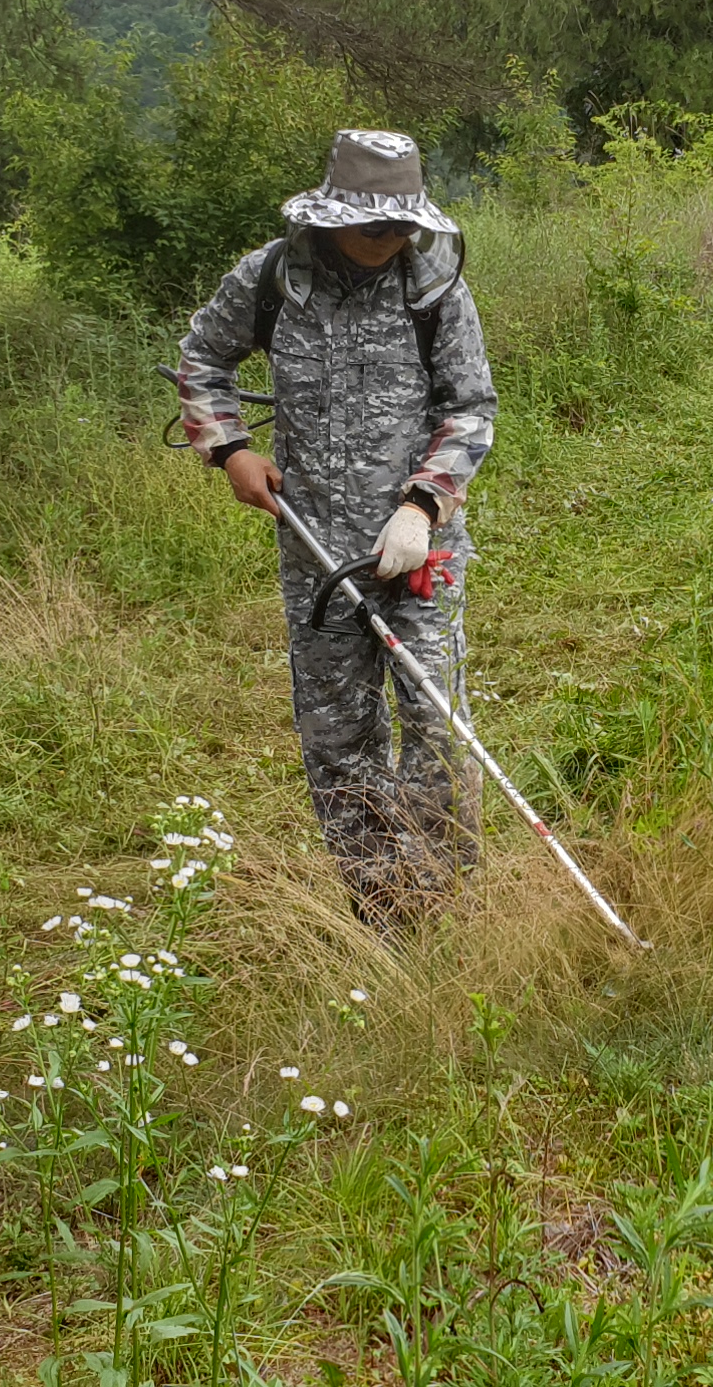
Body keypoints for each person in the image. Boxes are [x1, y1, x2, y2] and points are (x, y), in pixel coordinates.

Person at [171, 129, 497, 929]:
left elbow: (470, 409)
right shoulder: (275, 279)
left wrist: (424, 505)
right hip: (316, 552)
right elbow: (201, 360)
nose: (392, 242)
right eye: (376, 227)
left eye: (405, 228)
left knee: (435, 724)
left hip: (418, 553)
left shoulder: (435, 290)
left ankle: (446, 902)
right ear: (332, 216)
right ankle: (381, 905)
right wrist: (231, 450)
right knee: (337, 733)